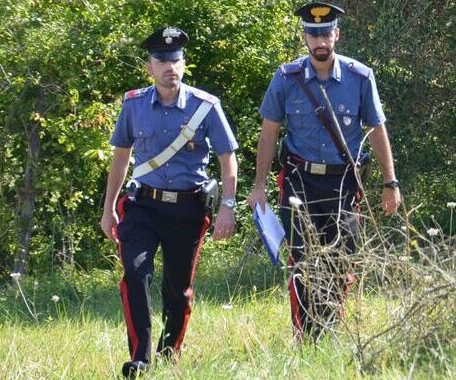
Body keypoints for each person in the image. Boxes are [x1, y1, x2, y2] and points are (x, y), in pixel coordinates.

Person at [247, 2, 402, 341]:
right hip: (299, 181)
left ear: (336, 34)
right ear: (304, 37)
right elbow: (269, 131)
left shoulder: (360, 77)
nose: (320, 41)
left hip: (343, 183)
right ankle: (306, 335)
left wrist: (390, 182)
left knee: (340, 259)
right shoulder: (286, 78)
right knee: (302, 259)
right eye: (313, 34)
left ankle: (328, 326)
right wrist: (259, 186)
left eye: (326, 33)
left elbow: (376, 130)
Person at [100, 26, 238, 377]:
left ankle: (169, 351)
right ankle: (140, 358)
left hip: (188, 208)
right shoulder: (133, 105)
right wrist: (108, 209)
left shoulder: (205, 107)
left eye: (175, 60)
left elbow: (227, 157)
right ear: (149, 66)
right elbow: (120, 157)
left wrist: (228, 205)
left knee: (178, 289)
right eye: (161, 60)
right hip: (142, 206)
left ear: (183, 63)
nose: (169, 67)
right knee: (135, 273)